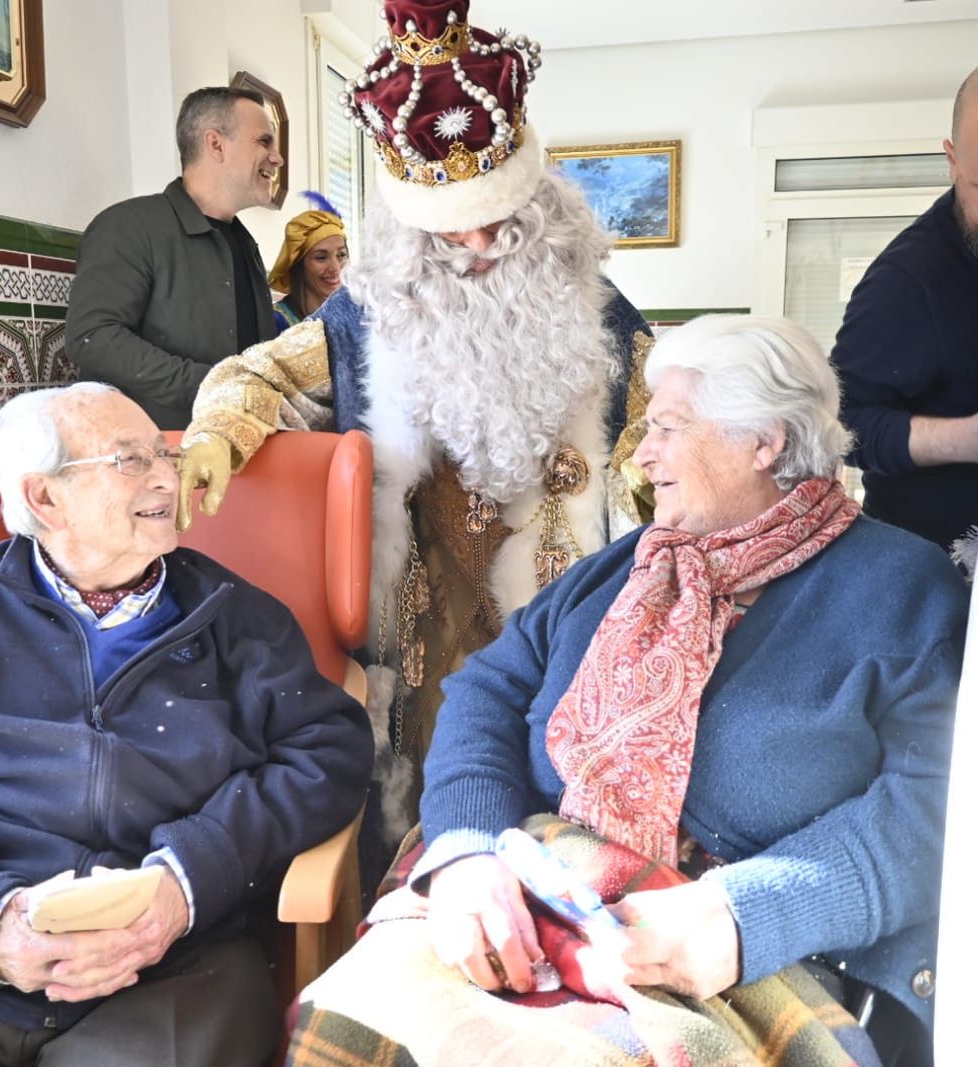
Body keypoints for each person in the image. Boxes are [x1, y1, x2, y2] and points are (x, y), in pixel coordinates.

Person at [286, 317, 968, 1067]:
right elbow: (485, 691)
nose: (642, 454)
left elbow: (939, 805)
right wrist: (466, 849)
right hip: (537, 886)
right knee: (338, 1024)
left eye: (668, 427)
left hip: (746, 951)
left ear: (764, 442)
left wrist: (747, 914)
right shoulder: (628, 566)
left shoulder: (902, 587)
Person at [0, 382, 373, 1066]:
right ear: (45, 498)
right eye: (131, 460)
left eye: (166, 456)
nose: (166, 478)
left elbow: (328, 753)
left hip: (168, 965)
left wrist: (188, 879)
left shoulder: (239, 618)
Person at [177, 0, 653, 849]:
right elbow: (262, 374)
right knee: (433, 790)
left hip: (558, 592)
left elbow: (661, 424)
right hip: (426, 595)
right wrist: (218, 431)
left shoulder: (596, 309)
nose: (473, 240)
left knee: (556, 779)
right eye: (448, 228)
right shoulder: (368, 310)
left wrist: (654, 470)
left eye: (495, 219)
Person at [831, 48, 978, 552]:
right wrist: (971, 440)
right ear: (952, 161)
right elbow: (840, 424)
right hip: (939, 568)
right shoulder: (904, 282)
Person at [67, 87, 282, 429]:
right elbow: (92, 337)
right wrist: (209, 385)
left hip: (234, 446)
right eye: (264, 142)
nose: (277, 158)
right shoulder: (129, 226)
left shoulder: (246, 245)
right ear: (216, 145)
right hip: (147, 454)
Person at [268, 194, 349, 330]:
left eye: (341, 255)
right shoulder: (276, 322)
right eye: (321, 257)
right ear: (299, 265)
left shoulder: (354, 319)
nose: (335, 268)